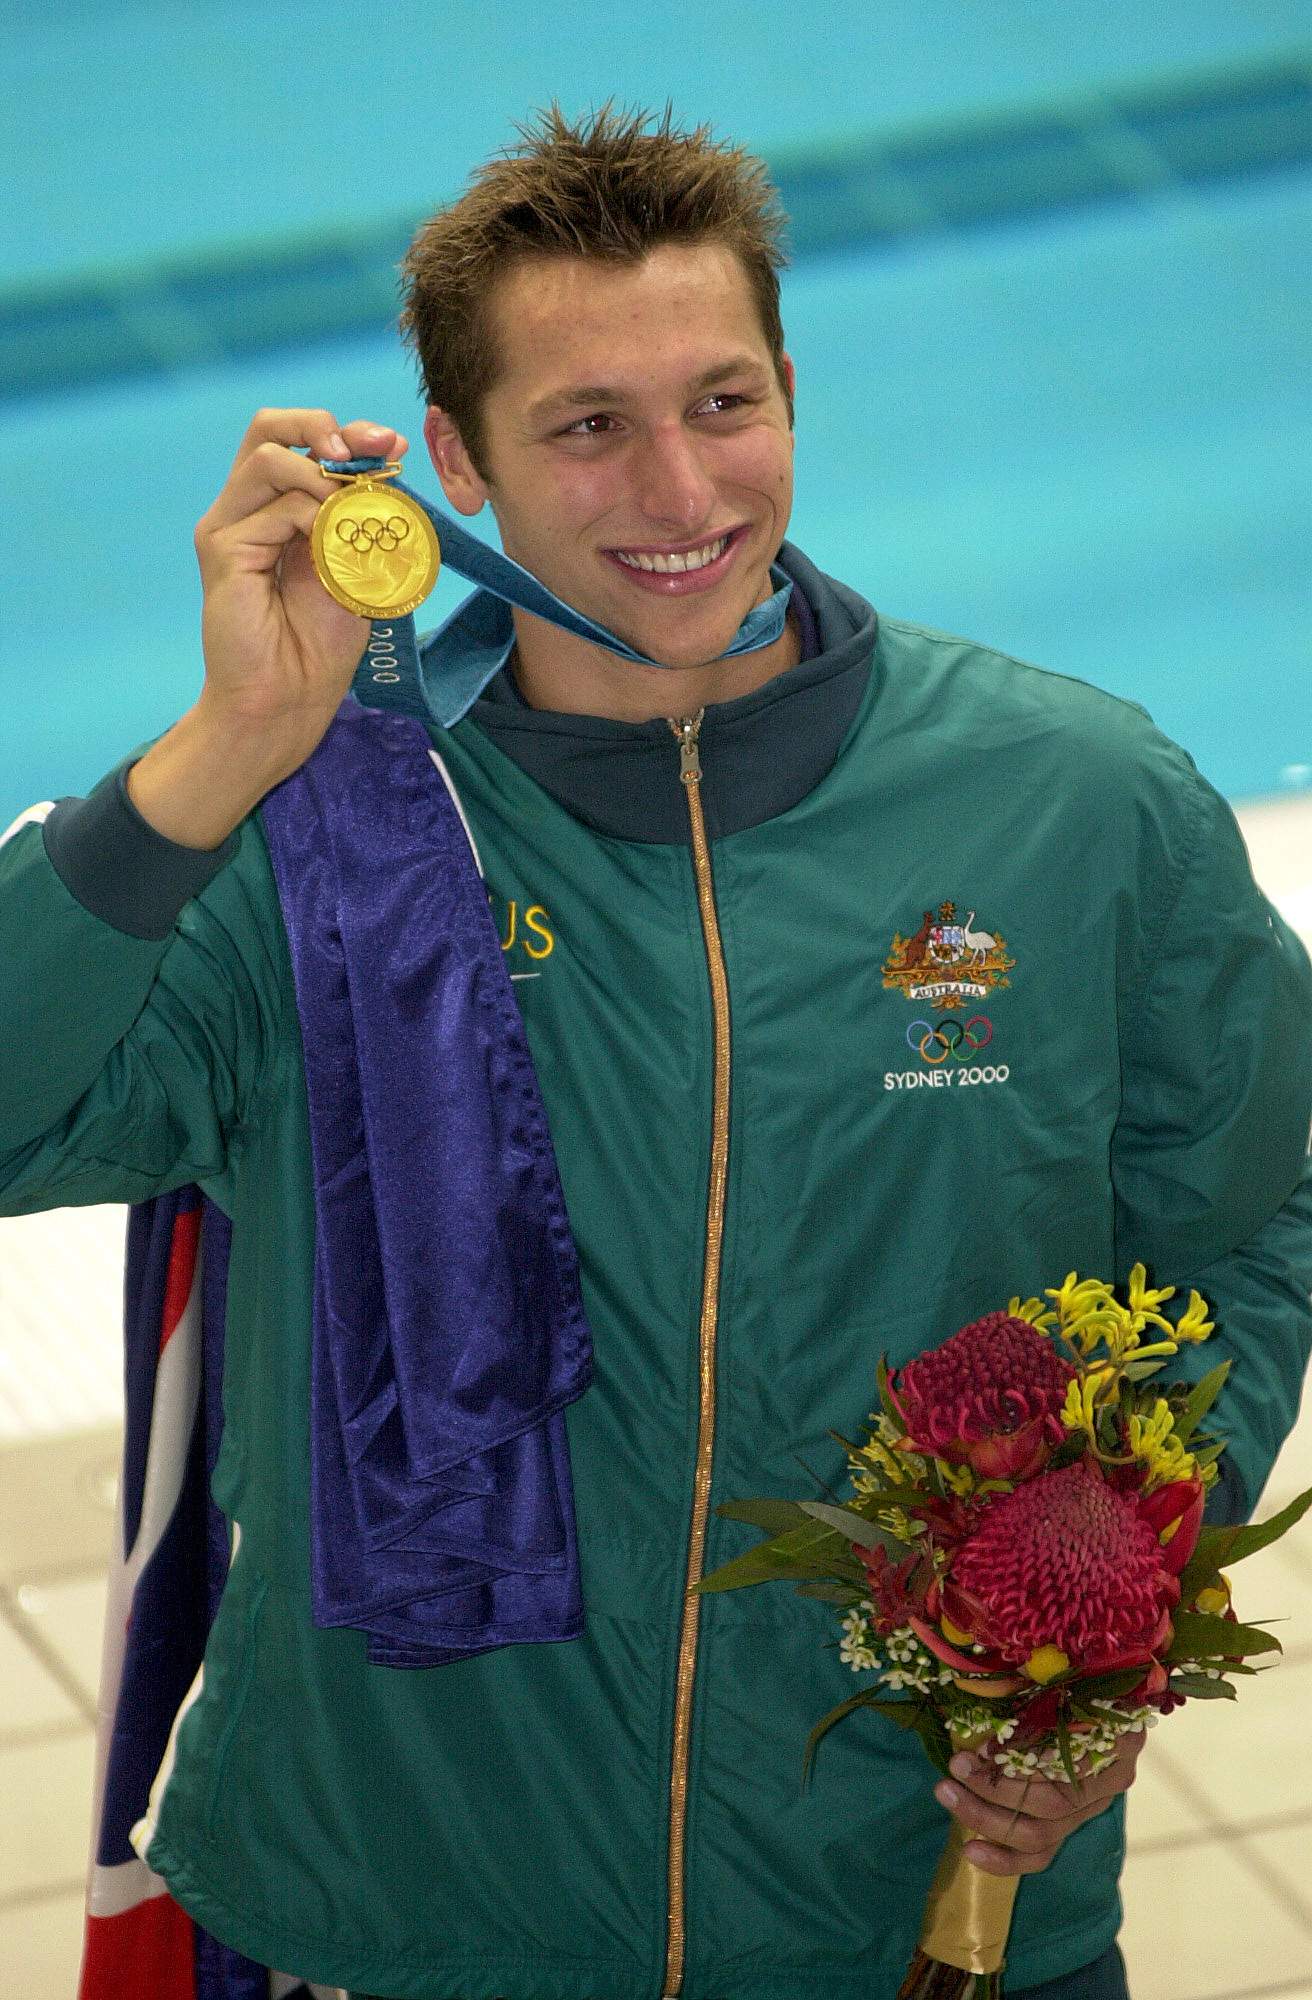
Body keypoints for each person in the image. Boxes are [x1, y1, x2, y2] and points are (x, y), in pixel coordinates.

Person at [3, 103, 1310, 2000]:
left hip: (905, 1912)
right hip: (408, 1911)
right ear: (454, 461)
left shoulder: (1072, 804)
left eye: (724, 402)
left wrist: (1098, 1617)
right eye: (587, 426)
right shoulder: (317, 832)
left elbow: (1261, 1210)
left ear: (792, 390)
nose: (681, 490)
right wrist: (213, 754)